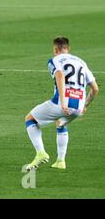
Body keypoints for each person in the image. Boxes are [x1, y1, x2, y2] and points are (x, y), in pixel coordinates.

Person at [24, 37, 99, 171]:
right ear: (68, 49)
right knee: (61, 122)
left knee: (30, 119)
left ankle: (41, 153)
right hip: (78, 106)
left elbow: (59, 75)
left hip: (62, 103)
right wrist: (85, 105)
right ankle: (60, 161)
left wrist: (63, 102)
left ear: (55, 50)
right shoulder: (81, 62)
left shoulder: (55, 60)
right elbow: (95, 88)